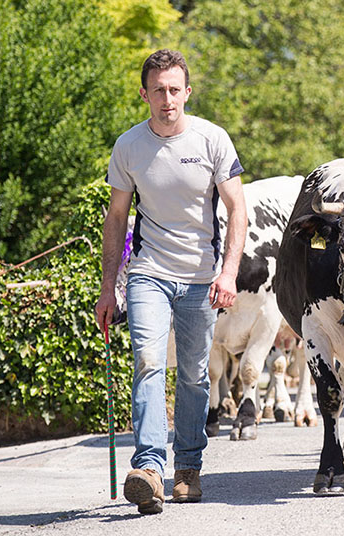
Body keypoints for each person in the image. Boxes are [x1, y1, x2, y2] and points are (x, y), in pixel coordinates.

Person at [94, 49, 247, 514]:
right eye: (158, 90)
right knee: (147, 360)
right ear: (144, 94)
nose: (167, 99)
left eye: (174, 89)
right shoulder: (129, 146)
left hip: (202, 277)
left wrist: (229, 271)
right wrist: (108, 287)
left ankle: (188, 469)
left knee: (195, 375)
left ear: (187, 92)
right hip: (148, 273)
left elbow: (237, 209)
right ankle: (149, 469)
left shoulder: (212, 140)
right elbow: (117, 217)